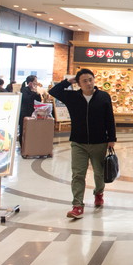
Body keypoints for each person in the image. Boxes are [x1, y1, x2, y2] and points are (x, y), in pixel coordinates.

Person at [49, 69, 116, 219]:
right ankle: (77, 205)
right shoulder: (72, 97)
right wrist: (68, 81)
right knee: (78, 174)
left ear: (94, 80)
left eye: (90, 79)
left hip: (99, 141)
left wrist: (112, 138)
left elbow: (109, 119)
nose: (88, 83)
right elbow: (54, 91)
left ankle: (99, 193)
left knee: (99, 173)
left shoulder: (103, 96)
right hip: (78, 142)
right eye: (84, 81)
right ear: (78, 83)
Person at [19, 75, 42, 146]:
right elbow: (26, 99)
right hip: (25, 113)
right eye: (35, 81)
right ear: (30, 82)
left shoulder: (34, 91)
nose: (36, 83)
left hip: (32, 112)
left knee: (31, 130)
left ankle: (30, 145)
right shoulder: (24, 89)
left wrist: (36, 93)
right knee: (24, 130)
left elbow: (38, 100)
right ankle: (23, 146)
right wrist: (33, 92)